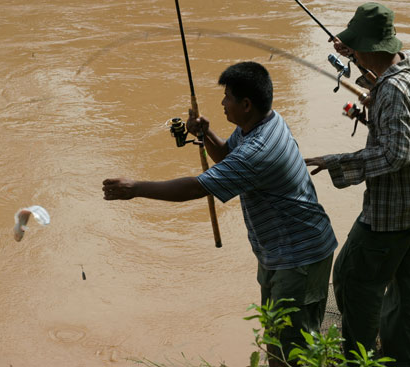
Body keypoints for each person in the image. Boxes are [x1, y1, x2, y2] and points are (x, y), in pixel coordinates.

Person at [103, 61, 338, 366]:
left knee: (291, 348)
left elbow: (197, 188)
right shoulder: (264, 122)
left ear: (246, 104)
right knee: (276, 335)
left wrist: (136, 187)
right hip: (280, 250)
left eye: (227, 97)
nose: (222, 103)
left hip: (300, 255)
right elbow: (228, 156)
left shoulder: (259, 150)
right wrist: (207, 133)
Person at [305, 3, 410, 366]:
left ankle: (359, 359)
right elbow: (388, 77)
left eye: (355, 45)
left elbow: (397, 155)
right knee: (407, 289)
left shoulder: (392, 91)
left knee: (351, 278)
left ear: (369, 48)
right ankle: (403, 358)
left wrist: (336, 162)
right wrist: (357, 55)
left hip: (391, 214)